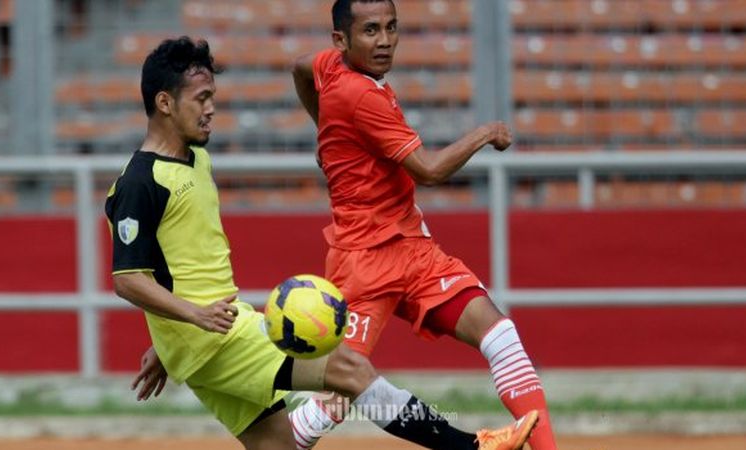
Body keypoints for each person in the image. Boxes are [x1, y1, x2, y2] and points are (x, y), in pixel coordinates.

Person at [107, 36, 537, 450]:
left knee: (278, 445)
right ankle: (473, 446)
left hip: (202, 342)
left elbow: (176, 267)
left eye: (212, 96)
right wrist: (192, 318)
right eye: (201, 98)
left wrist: (169, 343)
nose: (211, 108)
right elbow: (128, 280)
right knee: (351, 370)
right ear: (164, 103)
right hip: (216, 338)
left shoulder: (195, 158)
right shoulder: (139, 185)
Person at [287, 1, 559, 449]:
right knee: (335, 400)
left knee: (500, 334)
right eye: (371, 30)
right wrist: (485, 133)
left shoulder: (329, 67)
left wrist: (327, 134)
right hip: (363, 262)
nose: (385, 40)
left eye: (391, 27)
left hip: (413, 250)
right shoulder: (361, 96)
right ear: (342, 40)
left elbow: (299, 68)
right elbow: (428, 170)